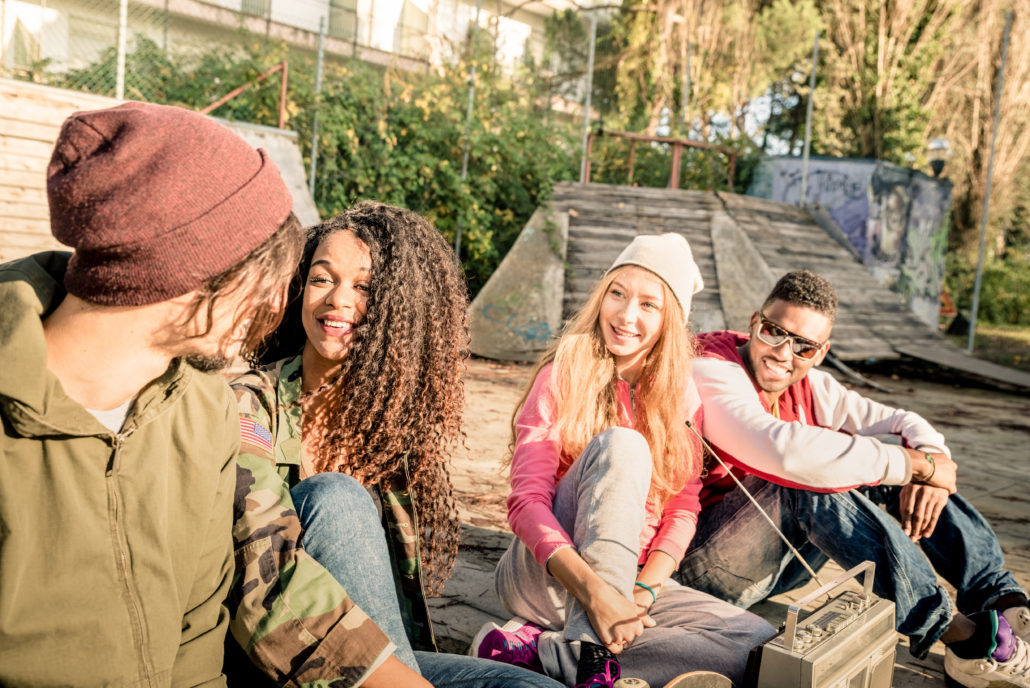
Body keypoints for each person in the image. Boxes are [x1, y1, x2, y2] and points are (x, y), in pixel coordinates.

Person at [0, 101, 303, 685]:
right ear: (192, 266)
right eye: (264, 277)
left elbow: (195, 640)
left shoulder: (205, 414)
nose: (272, 306)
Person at [225, 202, 563, 688]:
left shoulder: (386, 431)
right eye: (322, 279)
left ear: (396, 311)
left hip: (383, 662)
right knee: (335, 497)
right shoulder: (249, 405)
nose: (338, 300)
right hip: (280, 659)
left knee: (530, 686)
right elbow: (261, 573)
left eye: (363, 287)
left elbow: (387, 620)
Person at [675, 269, 1030, 688]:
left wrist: (930, 464)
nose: (784, 353)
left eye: (803, 346)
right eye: (774, 332)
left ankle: (1001, 602)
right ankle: (962, 637)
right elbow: (782, 450)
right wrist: (915, 465)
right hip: (698, 570)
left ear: (820, 353)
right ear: (755, 323)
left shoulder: (812, 385)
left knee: (875, 457)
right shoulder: (710, 368)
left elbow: (900, 422)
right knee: (803, 471)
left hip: (777, 559)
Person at [474, 234, 775, 688]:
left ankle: (543, 651)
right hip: (548, 578)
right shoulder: (562, 374)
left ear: (669, 319)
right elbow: (526, 503)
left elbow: (683, 507)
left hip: (630, 576)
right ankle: (594, 658)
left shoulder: (680, 395)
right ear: (602, 296)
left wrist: (641, 592)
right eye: (618, 293)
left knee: (756, 641)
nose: (626, 315)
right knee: (623, 445)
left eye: (648, 304)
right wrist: (597, 593)